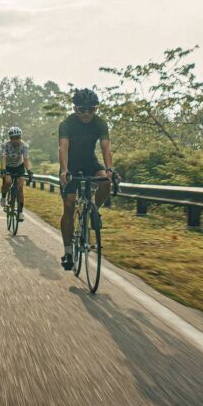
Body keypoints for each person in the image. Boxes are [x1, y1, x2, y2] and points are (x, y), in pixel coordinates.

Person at [58, 88, 113, 270]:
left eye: (92, 109)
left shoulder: (100, 123)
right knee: (69, 204)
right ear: (75, 109)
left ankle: (93, 210)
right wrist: (64, 170)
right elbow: (63, 147)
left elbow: (106, 147)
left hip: (90, 162)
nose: (87, 113)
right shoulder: (67, 124)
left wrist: (109, 168)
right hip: (70, 165)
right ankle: (67, 252)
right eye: (83, 109)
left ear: (96, 109)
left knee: (106, 181)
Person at [0, 126, 32, 221]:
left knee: (20, 187)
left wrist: (29, 170)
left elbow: (26, 159)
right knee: (8, 182)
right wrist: (3, 169)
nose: (16, 140)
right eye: (13, 138)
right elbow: (4, 158)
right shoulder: (5, 145)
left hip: (19, 167)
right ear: (10, 138)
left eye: (18, 138)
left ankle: (20, 212)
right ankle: (3, 196)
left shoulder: (24, 146)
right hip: (8, 167)